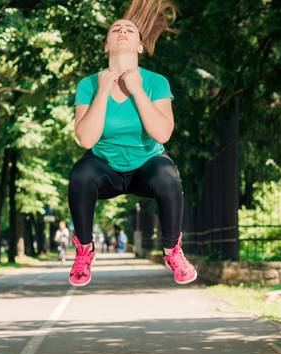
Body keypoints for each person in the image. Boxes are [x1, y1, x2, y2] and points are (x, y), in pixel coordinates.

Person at [67, 0, 197, 287]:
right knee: (80, 174)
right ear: (107, 45)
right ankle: (84, 251)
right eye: (116, 29)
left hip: (146, 166)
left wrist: (137, 89)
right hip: (106, 168)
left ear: (140, 46)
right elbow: (86, 139)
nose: (122, 31)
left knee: (168, 175)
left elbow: (162, 134)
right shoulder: (89, 84)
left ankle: (172, 250)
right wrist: (103, 90)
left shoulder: (155, 82)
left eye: (129, 29)